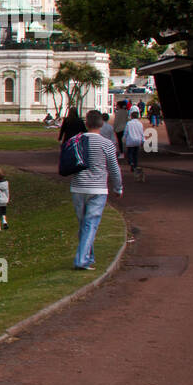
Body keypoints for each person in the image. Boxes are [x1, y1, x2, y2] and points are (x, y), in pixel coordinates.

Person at [70, 110, 122, 271]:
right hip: (98, 187)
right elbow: (114, 168)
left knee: (84, 224)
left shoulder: (75, 141)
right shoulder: (106, 144)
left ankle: (87, 257)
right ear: (101, 124)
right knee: (90, 224)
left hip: (78, 187)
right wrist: (118, 187)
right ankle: (82, 259)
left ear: (86, 123)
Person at [123, 109, 146, 182]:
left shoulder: (129, 123)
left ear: (131, 116)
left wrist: (124, 138)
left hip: (130, 140)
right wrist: (143, 141)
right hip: (137, 140)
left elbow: (126, 132)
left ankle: (131, 163)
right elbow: (142, 133)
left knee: (130, 152)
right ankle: (135, 165)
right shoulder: (140, 124)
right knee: (135, 154)